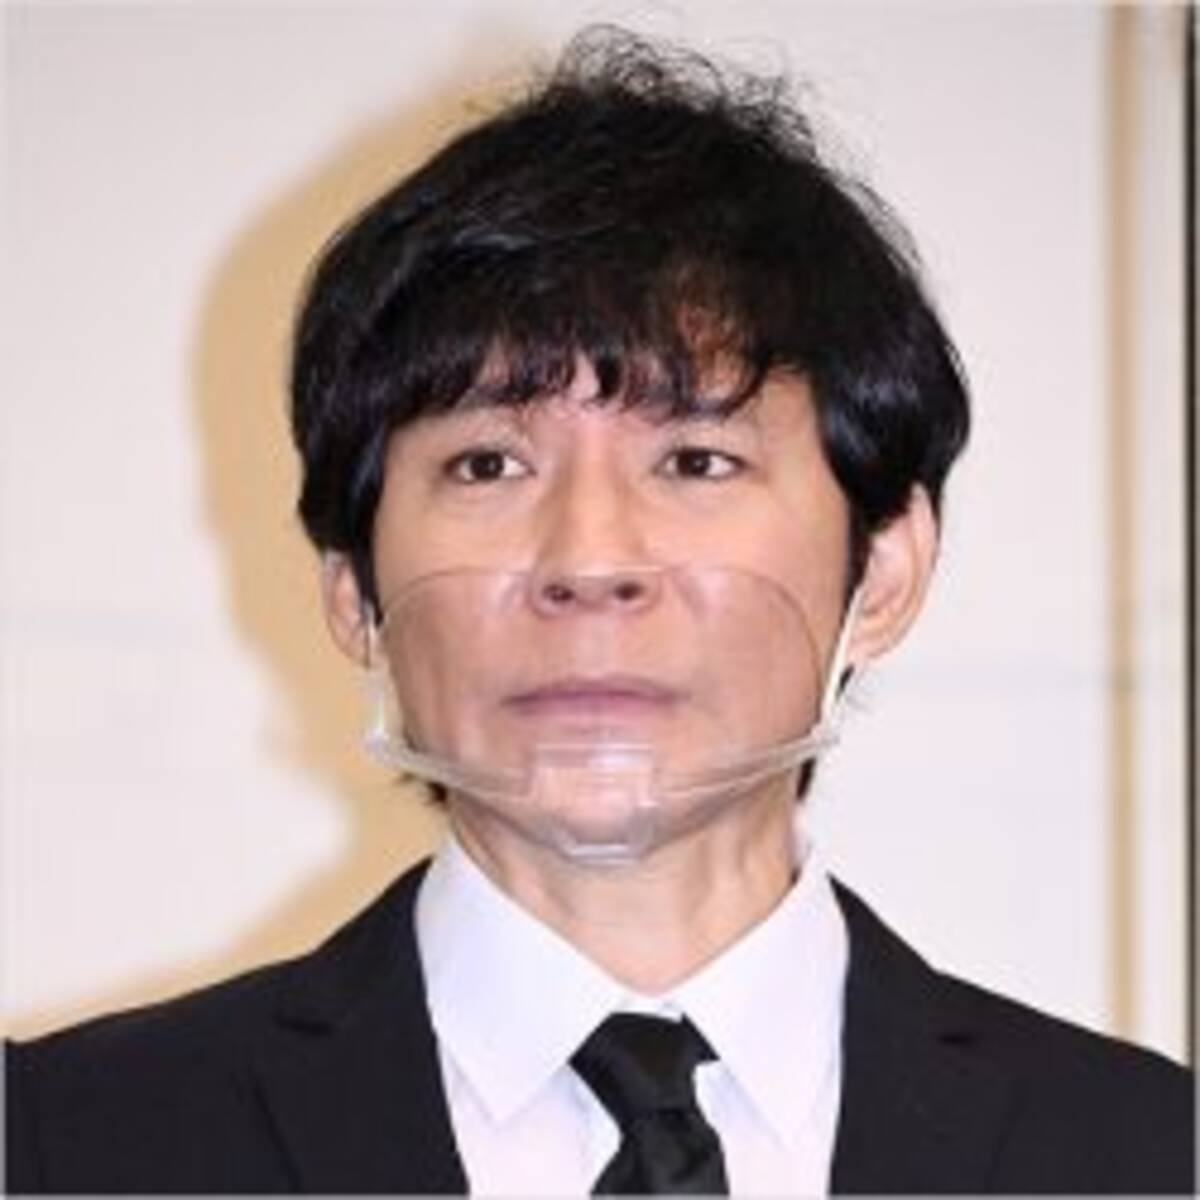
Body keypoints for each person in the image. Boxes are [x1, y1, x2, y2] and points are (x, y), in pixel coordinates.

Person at [5, 27, 1193, 1195]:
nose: (588, 561)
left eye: (695, 461)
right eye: (487, 464)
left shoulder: (1147, 1153)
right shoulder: (64, 1146)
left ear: (884, 569)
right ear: (353, 591)